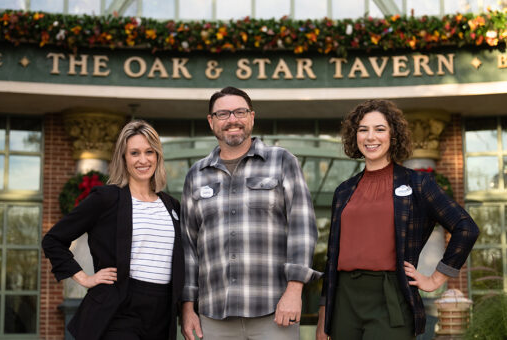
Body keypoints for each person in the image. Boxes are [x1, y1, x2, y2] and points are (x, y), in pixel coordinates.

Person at [316, 99, 479, 340]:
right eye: (363, 129)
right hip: (343, 299)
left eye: (380, 129)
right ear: (355, 136)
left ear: (393, 135)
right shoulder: (344, 190)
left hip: (390, 294)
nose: (371, 137)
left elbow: (466, 228)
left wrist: (436, 278)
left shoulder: (418, 183)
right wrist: (323, 318)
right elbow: (332, 258)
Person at [180, 86, 320, 340]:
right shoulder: (196, 175)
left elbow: (303, 229)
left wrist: (294, 291)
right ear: (211, 122)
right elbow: (189, 248)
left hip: (274, 310)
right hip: (214, 315)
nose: (232, 119)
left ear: (252, 117)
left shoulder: (282, 161)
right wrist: (188, 307)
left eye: (240, 112)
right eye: (223, 114)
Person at [42, 120, 184, 340]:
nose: (143, 160)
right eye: (134, 153)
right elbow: (53, 239)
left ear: (157, 156)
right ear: (124, 158)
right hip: (120, 309)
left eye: (149, 152)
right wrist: (84, 278)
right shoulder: (106, 198)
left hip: (162, 313)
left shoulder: (172, 205)